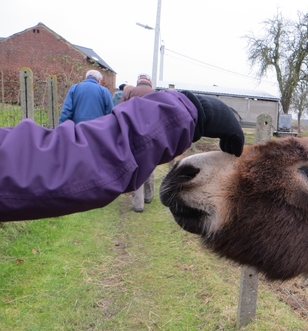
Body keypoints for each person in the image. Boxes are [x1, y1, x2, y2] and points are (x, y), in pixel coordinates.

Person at [0, 90, 244, 222]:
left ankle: (138, 201)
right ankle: (145, 200)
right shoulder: (140, 92)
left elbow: (36, 159)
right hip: (115, 131)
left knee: (134, 169)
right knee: (143, 170)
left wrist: (65, 125)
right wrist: (184, 112)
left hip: (95, 130)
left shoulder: (80, 90)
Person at [121, 73, 157, 212]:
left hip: (134, 134)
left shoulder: (130, 92)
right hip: (152, 134)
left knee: (136, 166)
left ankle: (138, 204)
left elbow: (120, 112)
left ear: (138, 81)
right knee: (150, 164)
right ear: (149, 82)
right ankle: (149, 196)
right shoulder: (155, 94)